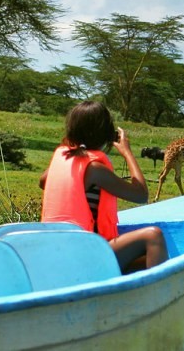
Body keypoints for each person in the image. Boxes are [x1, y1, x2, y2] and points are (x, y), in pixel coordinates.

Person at [40, 101, 167, 272]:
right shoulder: (95, 169)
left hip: (57, 251)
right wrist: (127, 152)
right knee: (153, 237)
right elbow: (141, 195)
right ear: (106, 134)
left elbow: (43, 181)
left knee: (145, 261)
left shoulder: (62, 157)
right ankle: (158, 296)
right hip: (83, 255)